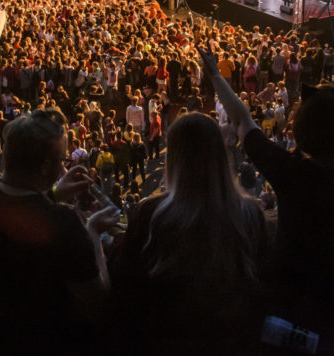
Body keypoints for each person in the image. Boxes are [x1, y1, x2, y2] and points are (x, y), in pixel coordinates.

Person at [201, 46, 334, 317]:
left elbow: (241, 119)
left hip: (290, 293)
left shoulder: (288, 170)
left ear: (300, 128)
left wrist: (215, 75)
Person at [0, 109, 119, 353]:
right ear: (47, 166)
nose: (63, 168)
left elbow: (14, 205)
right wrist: (92, 232)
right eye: (62, 161)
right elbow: (97, 306)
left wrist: (54, 193)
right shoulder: (63, 224)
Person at [109, 111, 268, 348]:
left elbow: (127, 288)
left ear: (174, 159)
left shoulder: (152, 214)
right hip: (231, 341)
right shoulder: (251, 215)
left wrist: (98, 234)